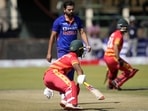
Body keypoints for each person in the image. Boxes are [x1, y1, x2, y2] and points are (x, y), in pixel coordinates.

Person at [44, 0, 91, 103]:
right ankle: (59, 93)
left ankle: (61, 92)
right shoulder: (58, 21)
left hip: (74, 51)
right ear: (64, 10)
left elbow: (82, 32)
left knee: (70, 73)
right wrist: (49, 52)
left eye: (72, 9)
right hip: (62, 50)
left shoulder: (77, 20)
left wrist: (87, 44)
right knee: (61, 71)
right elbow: (52, 36)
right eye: (69, 10)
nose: (71, 11)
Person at [43, 40, 86, 110]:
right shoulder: (73, 57)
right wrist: (81, 75)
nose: (82, 52)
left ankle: (65, 101)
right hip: (53, 73)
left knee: (75, 87)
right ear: (78, 50)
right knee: (71, 85)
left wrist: (80, 78)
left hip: (48, 78)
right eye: (81, 50)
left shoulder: (67, 55)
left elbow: (79, 70)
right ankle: (72, 104)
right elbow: (78, 69)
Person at [103, 18, 139, 90]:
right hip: (112, 57)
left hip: (106, 57)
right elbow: (115, 45)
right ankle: (116, 82)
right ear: (122, 27)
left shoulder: (114, 33)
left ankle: (110, 85)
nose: (127, 28)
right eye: (126, 27)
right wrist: (118, 58)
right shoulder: (119, 35)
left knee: (113, 72)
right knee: (131, 70)